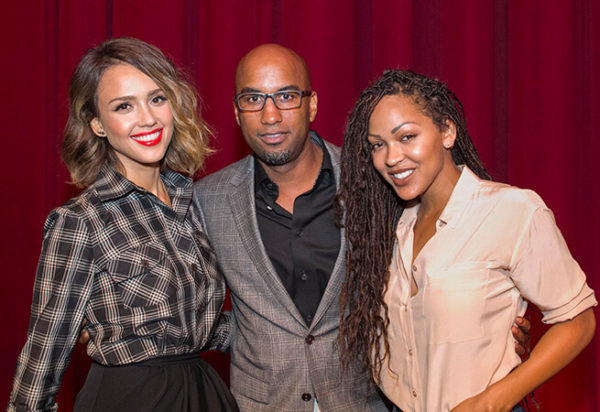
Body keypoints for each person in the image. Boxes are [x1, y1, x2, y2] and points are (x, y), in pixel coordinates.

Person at [194, 44, 531, 412]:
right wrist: (250, 334)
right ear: (237, 111)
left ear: (312, 104)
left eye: (286, 96)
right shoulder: (208, 200)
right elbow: (194, 309)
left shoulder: (377, 180)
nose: (270, 114)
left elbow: (438, 263)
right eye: (253, 98)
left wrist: (488, 324)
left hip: (365, 402)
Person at [336, 69, 597, 412]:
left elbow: (578, 321)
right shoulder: (389, 229)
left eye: (407, 136)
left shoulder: (511, 210)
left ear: (446, 131)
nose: (391, 157)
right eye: (377, 145)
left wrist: (494, 400)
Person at [8, 37, 238, 412]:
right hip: (131, 398)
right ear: (97, 124)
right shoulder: (80, 221)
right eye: (124, 106)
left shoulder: (193, 202)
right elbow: (43, 357)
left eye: (157, 98)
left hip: (203, 392)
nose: (147, 118)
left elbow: (202, 325)